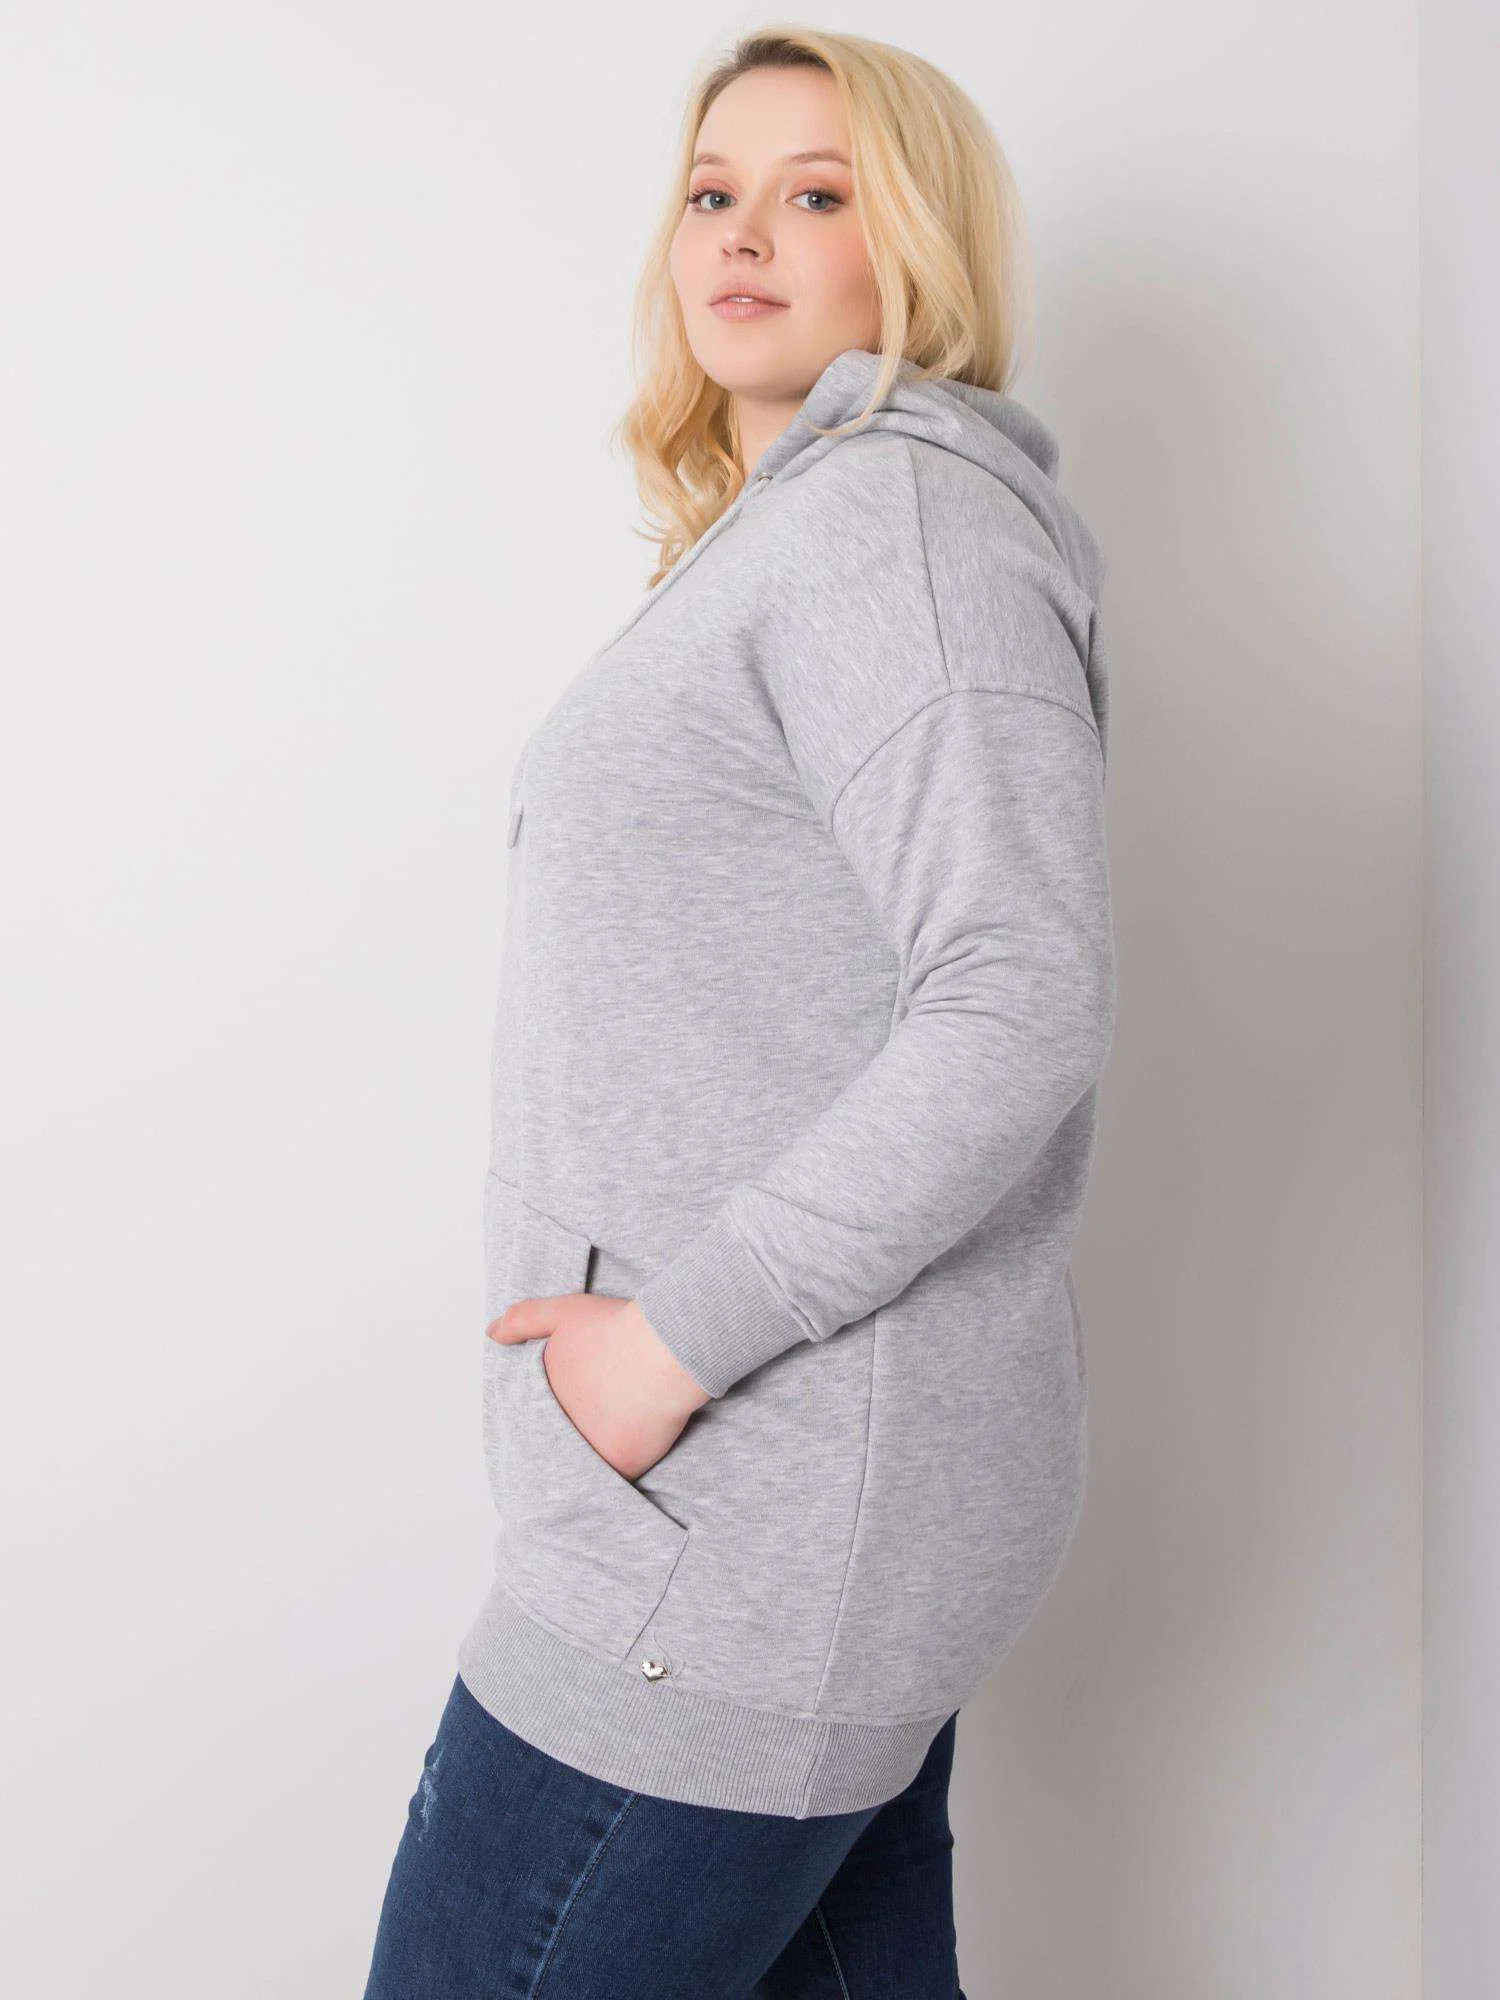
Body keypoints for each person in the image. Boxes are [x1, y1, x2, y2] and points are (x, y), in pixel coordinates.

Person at [362, 23, 1116, 1999]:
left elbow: (1020, 992)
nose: (742, 233)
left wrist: (665, 1348)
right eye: (714, 190)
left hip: (742, 1519)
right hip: (768, 1503)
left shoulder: (900, 529)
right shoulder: (808, 532)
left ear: (921, 246)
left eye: (817, 192)